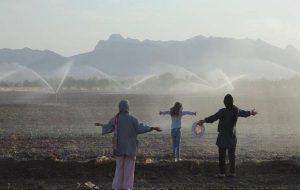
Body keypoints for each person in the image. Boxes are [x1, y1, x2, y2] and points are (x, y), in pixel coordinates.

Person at [95, 100, 162, 190]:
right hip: (131, 148)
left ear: (120, 107)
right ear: (128, 108)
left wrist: (101, 125)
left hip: (119, 148)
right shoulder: (132, 119)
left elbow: (109, 126)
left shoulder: (116, 118)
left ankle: (116, 186)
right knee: (129, 169)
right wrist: (152, 128)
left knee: (119, 168)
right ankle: (127, 187)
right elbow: (140, 128)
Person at [198, 94, 257, 177]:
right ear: (232, 102)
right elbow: (244, 113)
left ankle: (222, 173)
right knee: (232, 156)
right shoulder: (236, 110)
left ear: (225, 103)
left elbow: (213, 118)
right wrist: (251, 112)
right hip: (232, 138)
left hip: (223, 138)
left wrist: (203, 121)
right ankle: (232, 173)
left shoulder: (223, 111)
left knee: (222, 156)